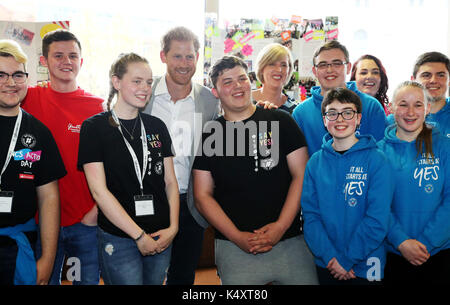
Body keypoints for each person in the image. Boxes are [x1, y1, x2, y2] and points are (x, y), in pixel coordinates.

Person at [193, 55, 318, 285]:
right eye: (227, 82)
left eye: (241, 78)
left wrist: (281, 226)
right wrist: (236, 236)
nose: (237, 86)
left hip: (290, 241)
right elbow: (202, 196)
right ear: (216, 92)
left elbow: (302, 175)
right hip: (235, 246)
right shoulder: (211, 134)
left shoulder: (281, 121)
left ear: (250, 81)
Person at [77, 53, 179, 285]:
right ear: (116, 82)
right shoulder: (94, 128)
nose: (145, 88)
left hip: (161, 233)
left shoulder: (156, 126)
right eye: (137, 81)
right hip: (120, 236)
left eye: (149, 82)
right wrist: (138, 235)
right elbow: (99, 192)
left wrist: (173, 227)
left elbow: (170, 182)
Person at [21, 29, 103, 285]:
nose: (67, 61)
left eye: (72, 55)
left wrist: (95, 212)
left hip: (85, 222)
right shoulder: (27, 98)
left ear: (82, 61)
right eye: (58, 55)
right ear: (44, 61)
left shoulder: (97, 106)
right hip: (40, 222)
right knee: (41, 281)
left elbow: (112, 164)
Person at [142, 26, 219, 285]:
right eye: (177, 56)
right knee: (147, 276)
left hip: (189, 204)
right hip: (148, 200)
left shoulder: (208, 101)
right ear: (163, 56)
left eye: (190, 56)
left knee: (183, 277)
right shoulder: (143, 93)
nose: (184, 64)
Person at [301, 87, 393, 285]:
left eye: (348, 112)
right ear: (324, 120)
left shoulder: (377, 160)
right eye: (332, 113)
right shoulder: (315, 162)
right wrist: (331, 258)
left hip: (368, 262)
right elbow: (311, 217)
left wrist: (346, 259)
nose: (340, 119)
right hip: (327, 262)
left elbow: (377, 219)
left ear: (358, 118)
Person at [0, 40, 66, 285]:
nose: (10, 82)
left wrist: (48, 259)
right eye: (1, 75)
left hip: (19, 244)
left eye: (17, 74)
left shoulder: (39, 132)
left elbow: (49, 198)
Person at [378, 81, 450, 284]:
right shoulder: (378, 153)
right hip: (394, 252)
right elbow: (377, 206)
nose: (410, 112)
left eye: (418, 104)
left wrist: (426, 243)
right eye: (403, 104)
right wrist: (401, 241)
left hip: (438, 252)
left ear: (427, 109)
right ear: (391, 107)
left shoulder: (445, 147)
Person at [292, 40, 387, 157]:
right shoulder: (301, 113)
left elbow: (381, 156)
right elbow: (298, 163)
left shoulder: (371, 106)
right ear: (314, 71)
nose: (330, 70)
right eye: (322, 65)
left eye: (337, 63)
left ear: (348, 67)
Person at [411, 52, 450, 138]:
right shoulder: (399, 118)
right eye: (426, 75)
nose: (433, 80)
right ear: (413, 80)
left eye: (440, 75)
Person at [252, 43, 298, 114]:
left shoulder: (295, 110)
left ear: (289, 70)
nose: (279, 69)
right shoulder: (244, 101)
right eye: (272, 64)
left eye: (283, 65)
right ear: (261, 68)